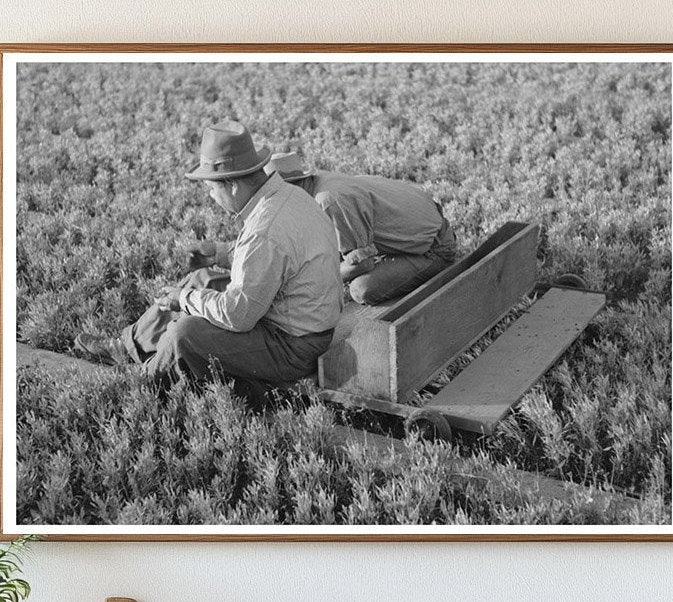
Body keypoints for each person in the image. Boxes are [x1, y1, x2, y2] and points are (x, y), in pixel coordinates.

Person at [74, 122, 342, 399]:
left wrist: (185, 299)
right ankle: (126, 347)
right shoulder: (287, 196)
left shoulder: (264, 231)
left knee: (187, 333)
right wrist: (220, 254)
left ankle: (141, 384)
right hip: (297, 317)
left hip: (293, 346)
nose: (212, 197)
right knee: (203, 279)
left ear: (233, 185)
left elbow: (238, 316)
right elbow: (278, 260)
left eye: (212, 189)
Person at [264, 150, 457, 305]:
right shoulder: (320, 182)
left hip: (435, 248)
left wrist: (307, 283)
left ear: (291, 188)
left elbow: (364, 265)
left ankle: (434, 269)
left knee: (360, 289)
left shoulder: (329, 200)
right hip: (423, 227)